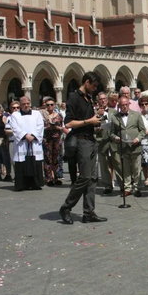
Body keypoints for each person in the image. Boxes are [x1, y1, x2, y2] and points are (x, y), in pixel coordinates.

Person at [59, 72, 107, 224]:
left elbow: (89, 120)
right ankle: (66, 207)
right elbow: (68, 123)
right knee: (85, 177)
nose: (94, 89)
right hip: (81, 141)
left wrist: (97, 118)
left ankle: (89, 212)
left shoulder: (88, 98)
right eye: (93, 86)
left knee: (92, 179)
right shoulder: (74, 97)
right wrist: (89, 121)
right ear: (86, 82)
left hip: (91, 140)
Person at [110, 96, 146, 197]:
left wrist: (138, 139)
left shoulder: (137, 115)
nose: (124, 106)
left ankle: (137, 187)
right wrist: (116, 138)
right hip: (123, 146)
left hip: (135, 145)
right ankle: (127, 188)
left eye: (126, 104)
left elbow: (142, 130)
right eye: (122, 105)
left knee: (136, 168)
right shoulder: (115, 117)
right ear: (119, 105)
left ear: (129, 104)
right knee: (125, 169)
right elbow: (112, 133)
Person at [8, 96, 45, 191]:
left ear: (30, 103)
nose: (26, 105)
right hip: (22, 143)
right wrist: (25, 135)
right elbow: (14, 127)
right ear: (20, 105)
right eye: (23, 104)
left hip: (34, 142)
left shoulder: (37, 114)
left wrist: (33, 135)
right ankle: (22, 185)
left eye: (27, 103)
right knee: (21, 163)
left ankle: (35, 184)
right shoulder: (15, 115)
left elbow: (40, 126)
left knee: (35, 162)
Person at [41, 97, 64, 186]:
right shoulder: (43, 116)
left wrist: (57, 127)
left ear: (54, 105)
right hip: (47, 139)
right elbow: (40, 127)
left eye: (51, 104)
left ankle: (56, 177)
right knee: (47, 158)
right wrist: (48, 127)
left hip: (57, 139)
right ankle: (49, 178)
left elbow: (62, 127)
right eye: (48, 105)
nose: (50, 106)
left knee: (56, 158)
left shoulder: (59, 115)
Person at [95, 92, 114, 194]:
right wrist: (98, 116)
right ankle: (107, 185)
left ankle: (124, 185)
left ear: (107, 100)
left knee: (117, 163)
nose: (103, 101)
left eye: (104, 99)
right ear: (98, 101)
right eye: (100, 99)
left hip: (113, 141)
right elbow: (92, 127)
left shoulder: (114, 112)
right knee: (104, 164)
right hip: (101, 141)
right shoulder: (95, 113)